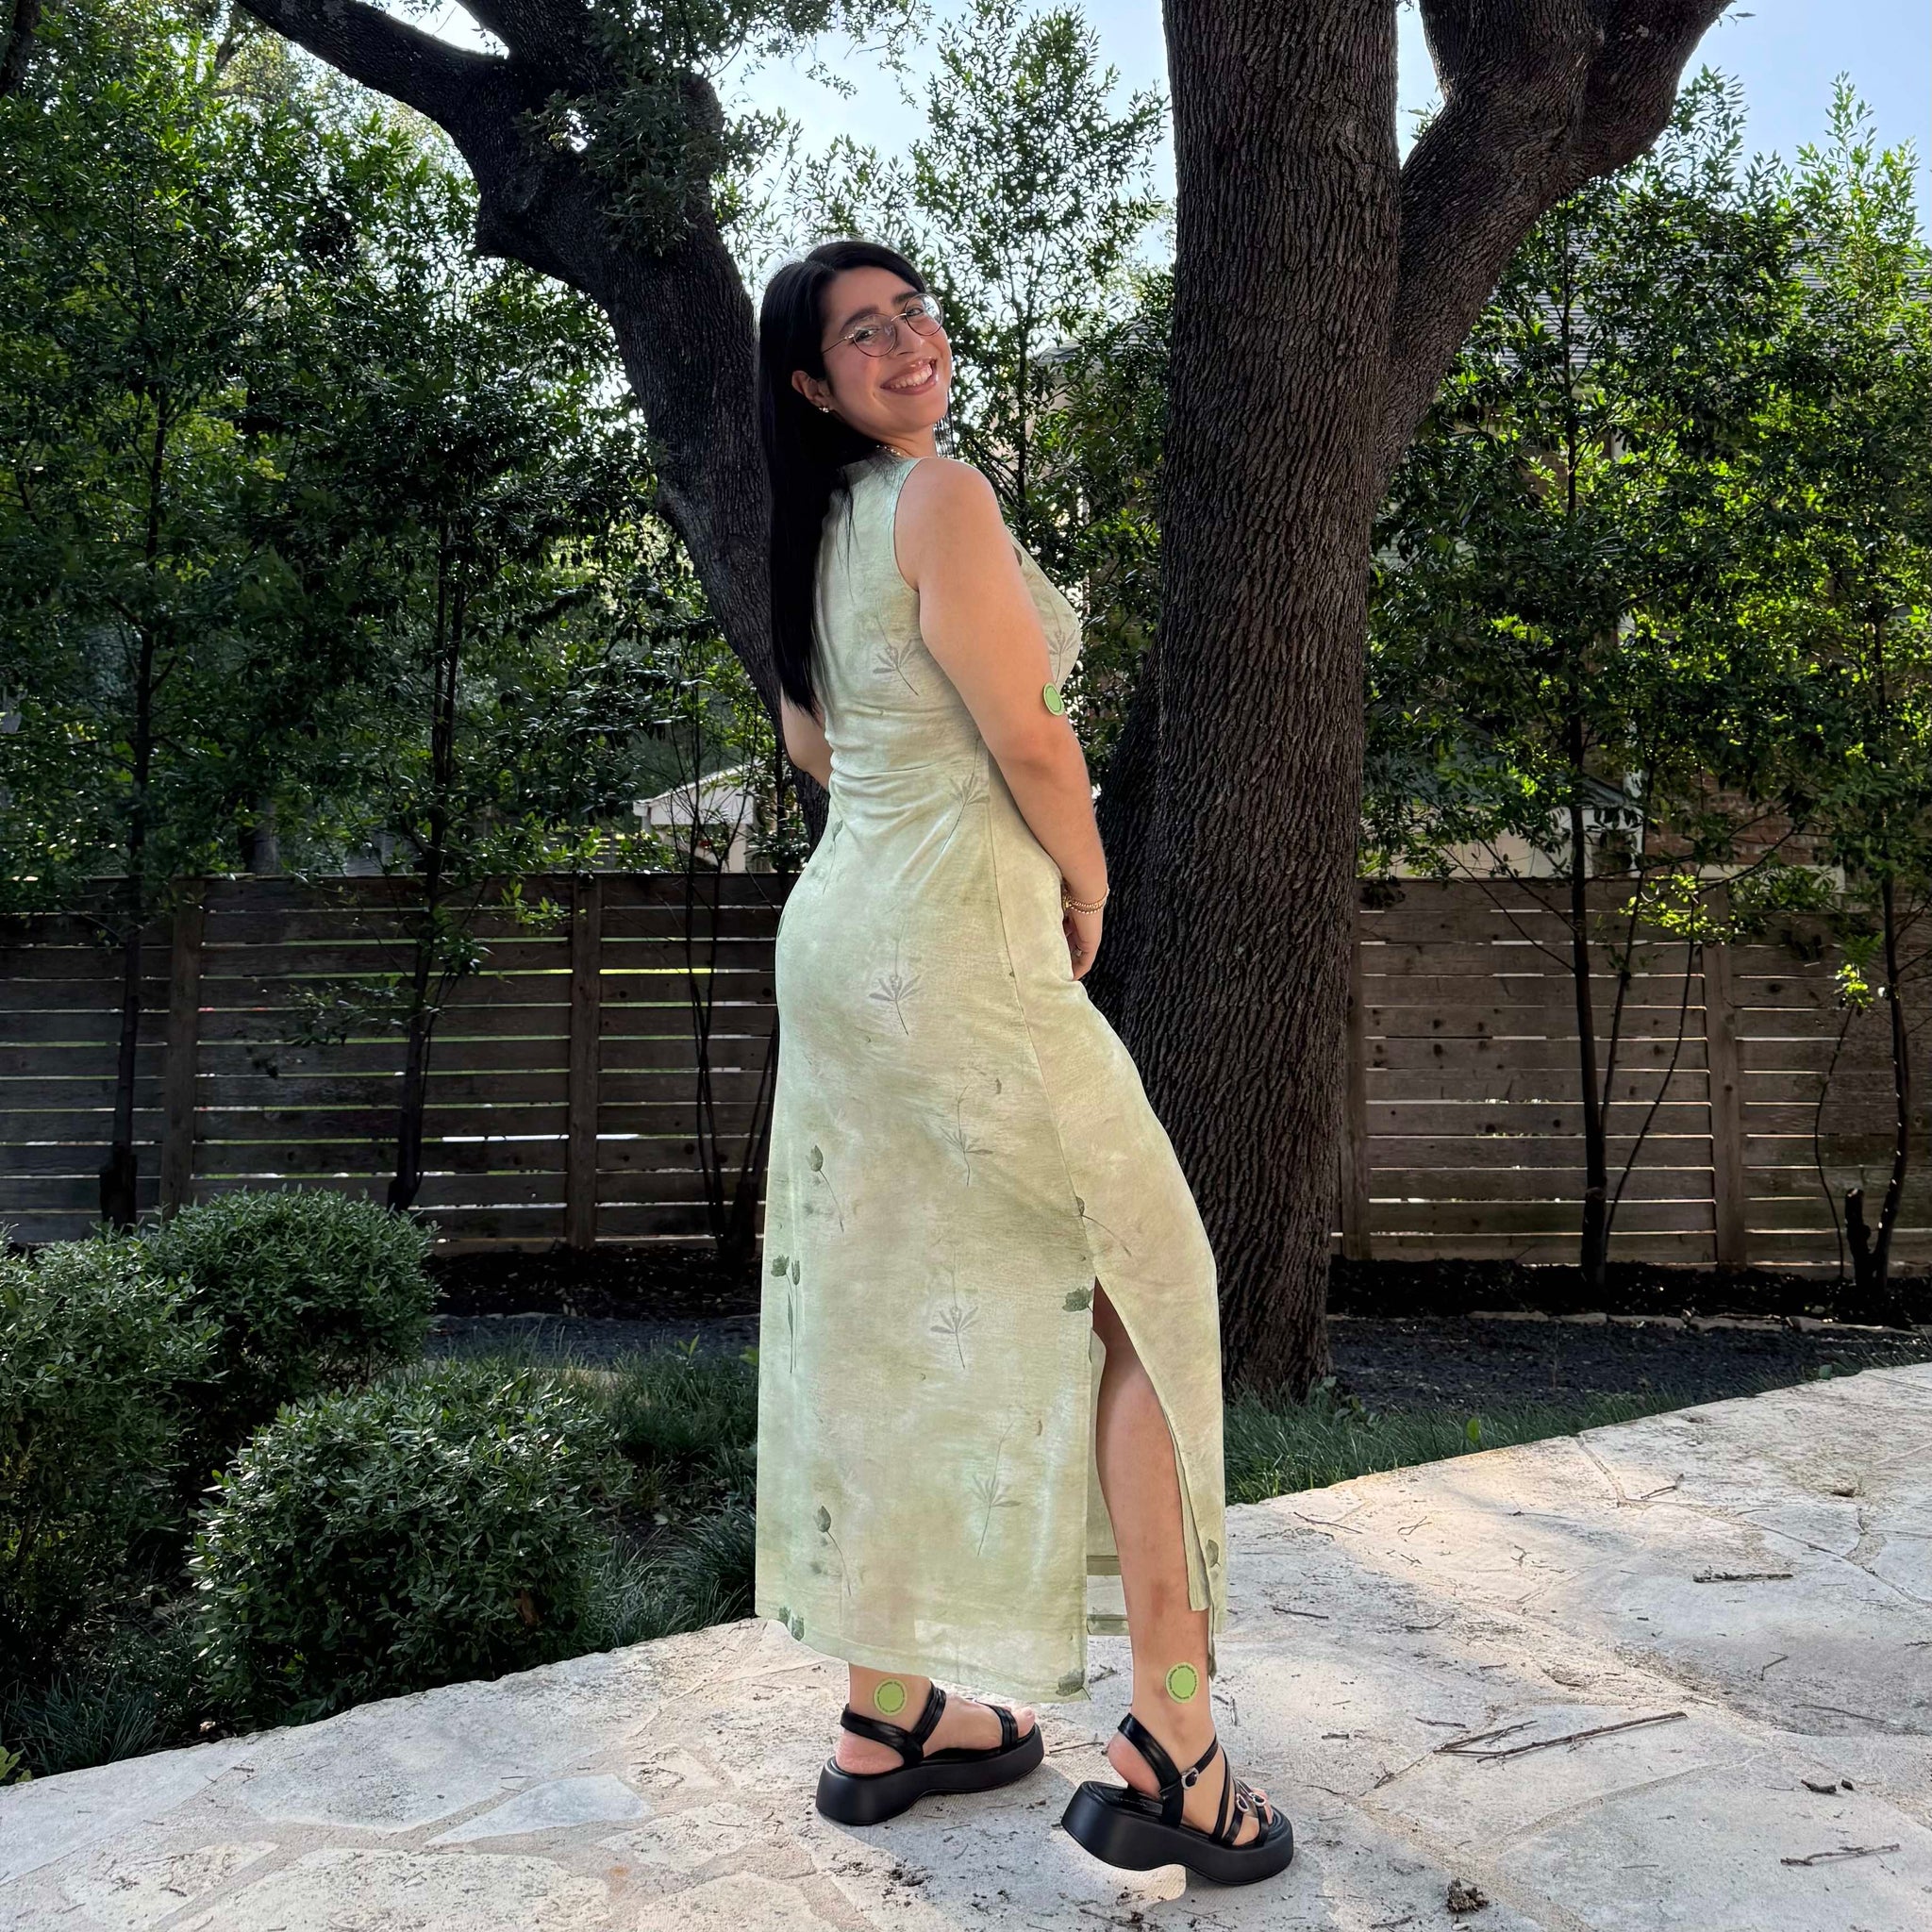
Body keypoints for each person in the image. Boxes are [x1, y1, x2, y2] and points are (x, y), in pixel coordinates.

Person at [751, 237, 1292, 1886]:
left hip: (842, 941)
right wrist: (1090, 880)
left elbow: (815, 743)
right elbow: (1035, 737)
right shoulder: (941, 497)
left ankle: (890, 1712)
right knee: (1151, 1291)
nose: (907, 341)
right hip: (960, 952)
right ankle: (1177, 1749)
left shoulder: (815, 530)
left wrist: (925, 820)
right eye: (864, 332)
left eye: (913, 311)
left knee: (881, 1297)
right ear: (813, 383)